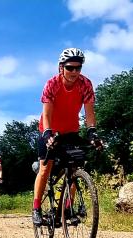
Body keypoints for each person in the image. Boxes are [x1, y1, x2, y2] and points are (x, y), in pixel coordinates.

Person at [31, 48, 102, 225]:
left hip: (71, 130)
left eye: (78, 68)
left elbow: (89, 112)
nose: (74, 72)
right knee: (45, 168)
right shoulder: (52, 84)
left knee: (74, 166)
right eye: (70, 68)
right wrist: (47, 133)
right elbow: (46, 115)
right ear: (61, 67)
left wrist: (92, 131)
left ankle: (66, 208)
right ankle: (36, 208)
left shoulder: (85, 84)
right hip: (50, 129)